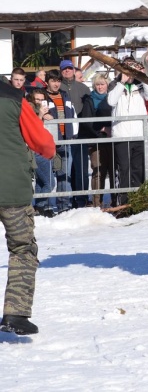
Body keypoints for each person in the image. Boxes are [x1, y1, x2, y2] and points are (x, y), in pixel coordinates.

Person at [0, 79, 56, 335]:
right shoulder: (15, 100)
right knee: (22, 248)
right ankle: (15, 314)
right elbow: (43, 144)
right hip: (12, 190)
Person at [107, 58, 148, 207]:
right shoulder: (114, 84)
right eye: (127, 68)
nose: (130, 72)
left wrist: (143, 76)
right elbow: (111, 101)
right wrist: (121, 81)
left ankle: (139, 201)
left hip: (140, 134)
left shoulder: (140, 85)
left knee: (139, 168)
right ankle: (123, 203)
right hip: (122, 135)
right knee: (124, 169)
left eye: (132, 68)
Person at [42, 69, 78, 214]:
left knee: (65, 175)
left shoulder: (65, 96)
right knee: (48, 176)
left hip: (65, 140)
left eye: (58, 81)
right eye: (53, 81)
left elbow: (73, 115)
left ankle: (64, 206)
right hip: (47, 142)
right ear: (47, 82)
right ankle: (46, 206)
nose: (56, 84)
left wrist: (73, 134)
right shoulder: (42, 96)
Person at [58, 60, 91, 208]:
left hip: (81, 134)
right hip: (63, 134)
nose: (67, 71)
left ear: (73, 70)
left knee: (81, 167)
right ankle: (66, 200)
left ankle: (82, 198)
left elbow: (90, 110)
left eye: (69, 69)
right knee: (66, 169)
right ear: (61, 71)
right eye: (64, 69)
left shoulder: (83, 88)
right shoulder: (58, 86)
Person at [80, 73, 114, 207]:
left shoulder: (113, 98)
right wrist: (100, 131)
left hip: (112, 138)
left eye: (102, 84)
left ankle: (114, 199)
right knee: (98, 171)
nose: (100, 87)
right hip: (95, 140)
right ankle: (96, 203)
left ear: (107, 85)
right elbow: (87, 121)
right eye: (97, 85)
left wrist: (111, 130)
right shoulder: (90, 100)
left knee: (112, 170)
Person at [27, 89, 57, 217]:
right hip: (35, 150)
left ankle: (40, 207)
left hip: (44, 149)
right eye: (37, 100)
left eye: (41, 99)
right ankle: (39, 206)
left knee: (41, 182)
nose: (39, 102)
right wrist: (40, 115)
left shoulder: (44, 110)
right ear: (32, 99)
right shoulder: (29, 110)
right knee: (50, 183)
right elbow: (33, 129)